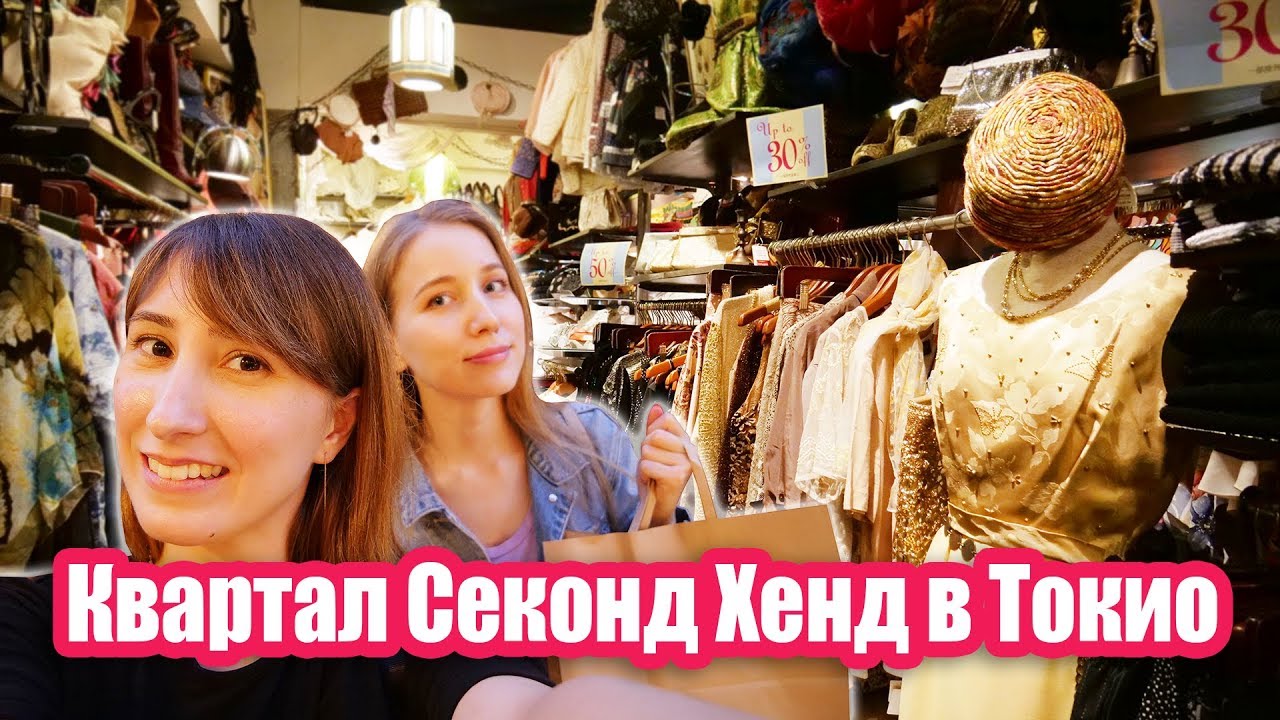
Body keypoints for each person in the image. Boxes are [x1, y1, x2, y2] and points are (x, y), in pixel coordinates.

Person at [0, 212, 753, 720]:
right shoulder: (35, 630)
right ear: (391, 343)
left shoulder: (400, 627)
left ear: (336, 423)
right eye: (155, 347)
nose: (169, 415)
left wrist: (661, 511)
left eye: (246, 362)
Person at [364, 200, 695, 563]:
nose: (487, 319)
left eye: (493, 285)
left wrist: (659, 511)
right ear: (389, 342)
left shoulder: (596, 443)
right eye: (439, 300)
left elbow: (655, 588)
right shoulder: (367, 503)